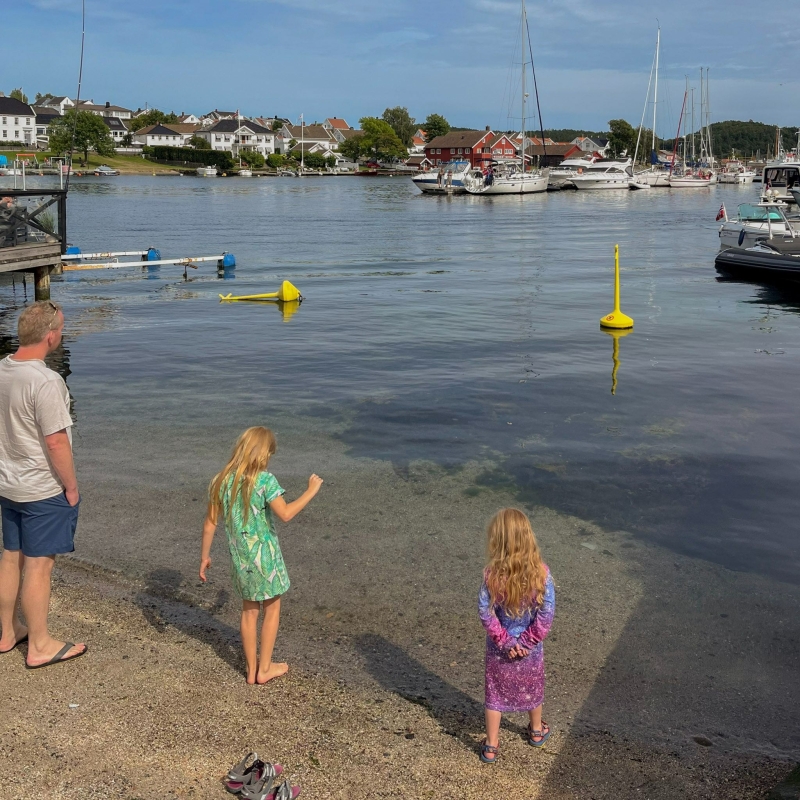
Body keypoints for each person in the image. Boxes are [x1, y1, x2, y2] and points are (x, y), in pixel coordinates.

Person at [0, 301, 87, 668]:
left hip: (7, 483)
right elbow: (56, 441)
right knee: (39, 566)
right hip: (41, 487)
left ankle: (6, 631)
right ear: (51, 336)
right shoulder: (47, 381)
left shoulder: (2, 369)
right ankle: (39, 644)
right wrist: (71, 486)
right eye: (61, 329)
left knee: (10, 558)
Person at [200, 426, 323, 685]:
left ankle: (250, 669)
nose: (269, 458)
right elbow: (286, 513)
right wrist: (311, 491)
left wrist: (205, 556)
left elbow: (210, 523)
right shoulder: (265, 480)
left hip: (240, 560)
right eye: (269, 453)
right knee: (272, 607)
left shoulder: (220, 480)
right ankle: (264, 668)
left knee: (248, 612)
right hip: (266, 559)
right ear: (262, 453)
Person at [478, 508, 556, 763]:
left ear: (497, 542)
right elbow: (546, 616)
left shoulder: (492, 575)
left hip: (499, 650)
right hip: (530, 653)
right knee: (533, 688)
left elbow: (485, 612)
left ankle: (491, 745)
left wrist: (504, 641)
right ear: (528, 538)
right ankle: (535, 731)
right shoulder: (541, 574)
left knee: (495, 695)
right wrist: (526, 643)